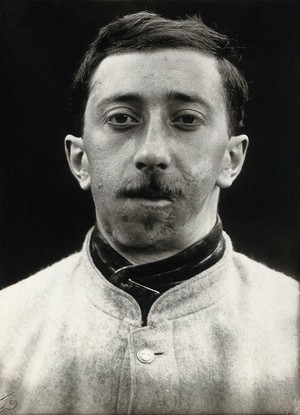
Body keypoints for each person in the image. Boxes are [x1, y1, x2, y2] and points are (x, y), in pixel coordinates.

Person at [0, 11, 298, 415]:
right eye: (121, 119)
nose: (152, 153)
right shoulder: (8, 327)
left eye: (187, 120)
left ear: (231, 159)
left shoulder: (291, 327)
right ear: (80, 159)